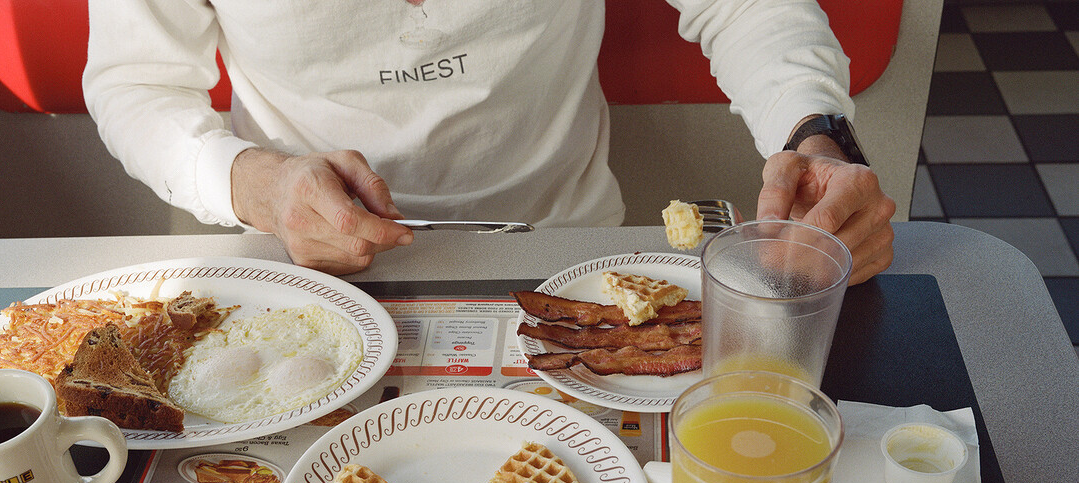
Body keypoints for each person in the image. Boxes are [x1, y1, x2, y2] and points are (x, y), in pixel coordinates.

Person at [83, 0, 894, 282]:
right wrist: (255, 183)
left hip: (568, 254)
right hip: (307, 270)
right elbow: (135, 82)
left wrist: (817, 139)